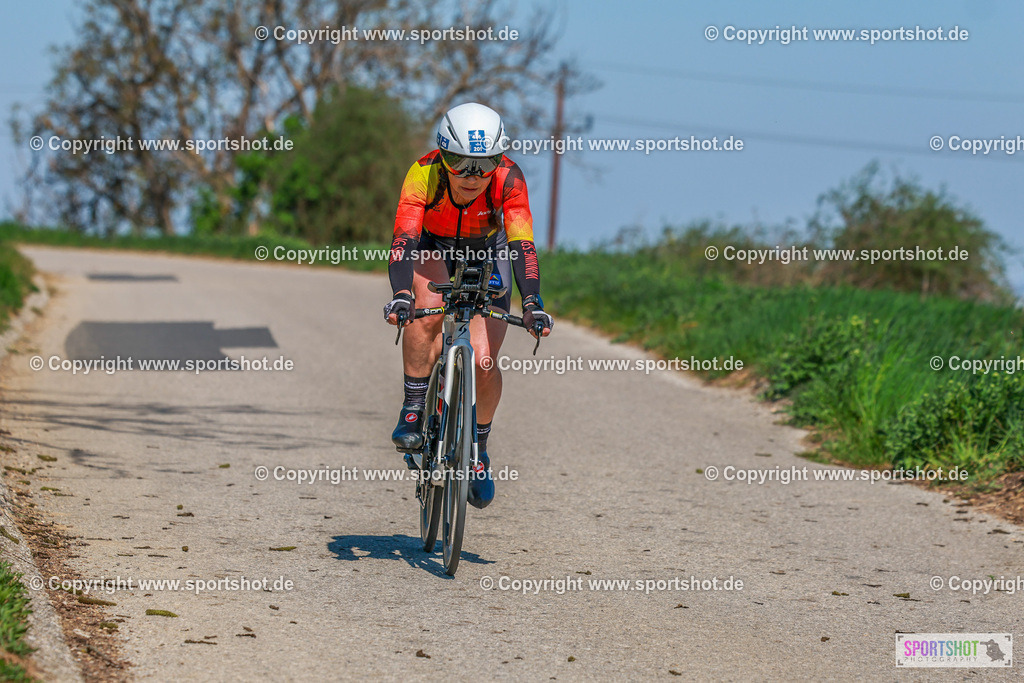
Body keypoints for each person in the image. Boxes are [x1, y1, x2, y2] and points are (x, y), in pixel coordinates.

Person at [383, 102, 552, 509]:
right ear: (443, 153)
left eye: (486, 162)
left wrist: (531, 302)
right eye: (461, 162)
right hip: (434, 244)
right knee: (425, 313)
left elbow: (521, 245)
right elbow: (404, 239)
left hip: (487, 249)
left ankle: (478, 450)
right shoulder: (422, 173)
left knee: (483, 360)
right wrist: (402, 295)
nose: (473, 176)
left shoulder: (509, 179)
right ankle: (412, 407)